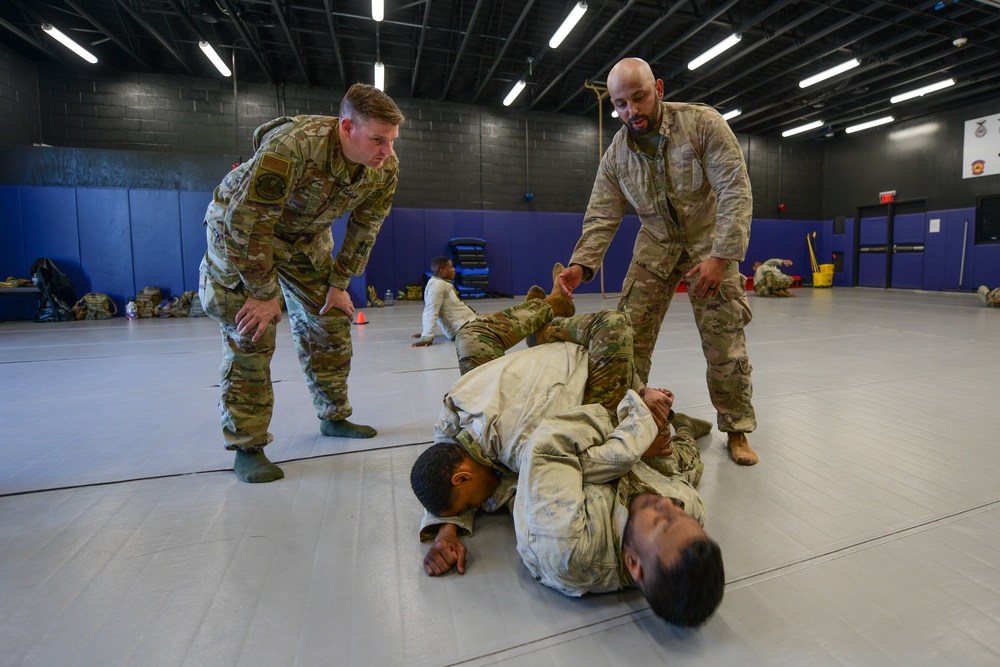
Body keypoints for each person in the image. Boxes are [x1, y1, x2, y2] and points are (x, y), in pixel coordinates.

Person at [411, 310, 725, 627]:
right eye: (681, 514)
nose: (670, 505)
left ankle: (548, 318)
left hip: (569, 429)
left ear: (633, 562)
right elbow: (445, 460)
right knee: (685, 459)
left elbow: (550, 448)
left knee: (470, 337)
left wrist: (635, 422)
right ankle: (551, 316)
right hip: (585, 425)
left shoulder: (566, 544)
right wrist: (652, 434)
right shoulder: (687, 508)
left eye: (663, 521)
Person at [558, 57, 759, 467]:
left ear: (659, 90)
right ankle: (632, 417)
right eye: (621, 104)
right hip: (656, 245)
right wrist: (581, 264)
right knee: (627, 338)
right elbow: (602, 214)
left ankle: (736, 428)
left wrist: (721, 257)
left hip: (708, 242)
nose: (632, 111)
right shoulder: (616, 155)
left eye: (639, 97)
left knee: (724, 343)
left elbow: (735, 190)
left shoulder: (703, 124)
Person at [198, 83, 404, 483]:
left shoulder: (385, 168)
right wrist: (262, 293)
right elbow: (247, 220)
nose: (387, 150)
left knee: (330, 317)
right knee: (252, 331)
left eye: (393, 140)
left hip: (305, 237)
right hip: (240, 233)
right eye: (378, 139)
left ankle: (333, 417)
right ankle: (247, 447)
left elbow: (366, 228)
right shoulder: (292, 147)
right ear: (347, 128)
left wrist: (338, 283)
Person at [411, 260, 575, 374]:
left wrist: (427, 331)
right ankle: (555, 304)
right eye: (451, 267)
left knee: (503, 317)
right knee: (509, 318)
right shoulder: (437, 286)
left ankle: (538, 332)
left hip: (470, 322)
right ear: (442, 271)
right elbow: (431, 309)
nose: (454, 270)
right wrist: (427, 335)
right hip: (468, 329)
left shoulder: (440, 284)